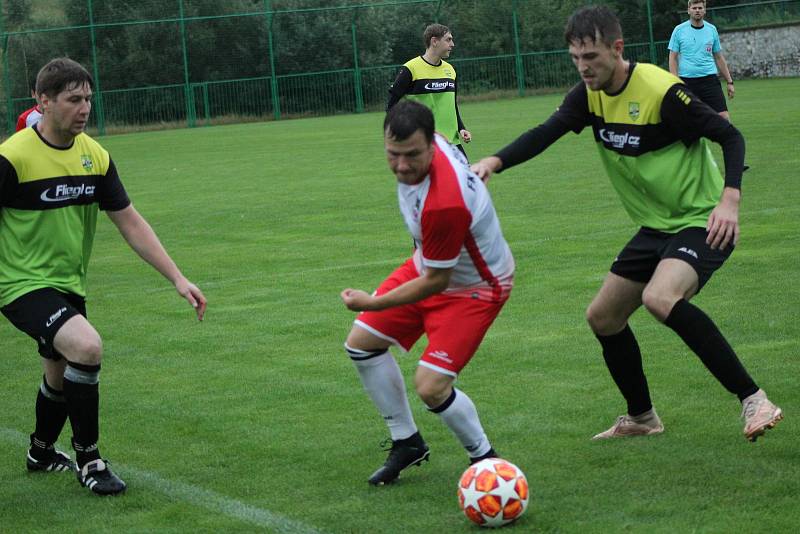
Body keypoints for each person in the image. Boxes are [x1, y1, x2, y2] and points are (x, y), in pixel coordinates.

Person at [471, 6, 782, 442]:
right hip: (655, 227)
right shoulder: (588, 95)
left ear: (617, 49)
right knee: (603, 316)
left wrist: (730, 199)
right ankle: (641, 418)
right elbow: (548, 130)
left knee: (660, 297)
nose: (584, 67)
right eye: (576, 58)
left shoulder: (661, 91)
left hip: (701, 219)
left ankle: (753, 398)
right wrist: (493, 162)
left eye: (592, 57)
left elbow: (730, 136)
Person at [0, 58, 207, 495]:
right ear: (44, 101)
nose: (84, 108)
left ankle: (40, 451)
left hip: (67, 283)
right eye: (74, 99)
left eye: (88, 99)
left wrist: (177, 277)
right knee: (87, 346)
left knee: (59, 376)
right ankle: (89, 459)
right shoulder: (12, 157)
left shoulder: (95, 156)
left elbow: (129, 221)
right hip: (18, 283)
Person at [341, 100, 513, 485]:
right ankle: (407, 442)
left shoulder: (444, 203)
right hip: (432, 263)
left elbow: (438, 281)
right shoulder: (428, 135)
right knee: (361, 344)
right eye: (393, 154)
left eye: (412, 156)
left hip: (476, 287)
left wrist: (373, 302)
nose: (402, 165)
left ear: (432, 147)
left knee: (432, 386)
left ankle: (485, 461)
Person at [387, 23, 472, 160]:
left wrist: (461, 128)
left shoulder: (450, 70)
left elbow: (452, 105)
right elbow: (392, 104)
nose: (453, 44)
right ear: (434, 41)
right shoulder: (410, 69)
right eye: (448, 39)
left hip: (452, 142)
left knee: (466, 180)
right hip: (425, 143)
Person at [668, 0, 735, 122]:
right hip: (687, 82)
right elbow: (672, 58)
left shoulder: (712, 30)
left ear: (704, 10)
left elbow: (719, 57)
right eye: (694, 8)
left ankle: (729, 141)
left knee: (724, 118)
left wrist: (729, 82)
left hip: (710, 80)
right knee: (687, 121)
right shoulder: (679, 30)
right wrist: (675, 82)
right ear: (689, 10)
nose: (697, 10)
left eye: (700, 8)